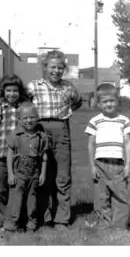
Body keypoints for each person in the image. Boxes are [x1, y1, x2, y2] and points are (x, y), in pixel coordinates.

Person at [27, 50, 83, 229]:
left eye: (60, 68)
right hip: (40, 129)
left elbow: (78, 102)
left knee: (62, 175)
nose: (56, 71)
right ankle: (43, 216)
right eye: (53, 67)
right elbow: (24, 106)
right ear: (45, 67)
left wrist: (66, 112)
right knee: (42, 174)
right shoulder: (33, 86)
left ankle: (61, 218)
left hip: (61, 129)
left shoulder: (68, 87)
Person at [85, 83, 130, 229]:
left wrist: (128, 164)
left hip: (118, 164)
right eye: (105, 101)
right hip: (100, 163)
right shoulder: (95, 121)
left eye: (112, 100)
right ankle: (105, 223)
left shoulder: (123, 120)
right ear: (99, 104)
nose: (109, 104)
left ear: (117, 101)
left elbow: (128, 142)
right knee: (102, 196)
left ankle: (119, 225)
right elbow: (90, 144)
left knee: (121, 195)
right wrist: (92, 166)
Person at [3, 102, 49, 232]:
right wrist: (11, 174)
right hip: (19, 172)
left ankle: (31, 224)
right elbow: (10, 156)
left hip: (34, 173)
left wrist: (43, 174)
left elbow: (44, 157)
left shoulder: (41, 136)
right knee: (16, 200)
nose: (29, 120)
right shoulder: (15, 135)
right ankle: (13, 225)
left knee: (32, 200)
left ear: (37, 117)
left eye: (32, 117)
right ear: (19, 120)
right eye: (25, 118)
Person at [0, 74, 28, 229]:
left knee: (18, 189)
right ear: (3, 91)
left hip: (20, 156)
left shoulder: (24, 108)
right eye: (8, 91)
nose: (11, 94)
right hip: (1, 153)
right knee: (0, 190)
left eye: (15, 90)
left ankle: (17, 220)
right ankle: (1, 221)